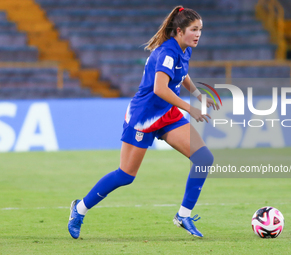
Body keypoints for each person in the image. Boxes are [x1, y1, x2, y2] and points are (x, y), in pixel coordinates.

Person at [68, 6, 219, 239]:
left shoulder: (184, 49)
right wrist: (190, 108)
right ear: (179, 31)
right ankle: (79, 209)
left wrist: (198, 94)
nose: (199, 34)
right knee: (125, 176)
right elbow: (160, 89)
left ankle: (183, 215)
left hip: (167, 114)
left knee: (203, 157)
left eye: (200, 29)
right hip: (144, 117)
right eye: (194, 29)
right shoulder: (167, 52)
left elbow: (182, 73)